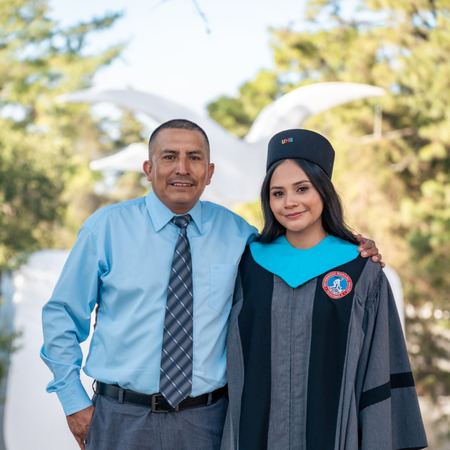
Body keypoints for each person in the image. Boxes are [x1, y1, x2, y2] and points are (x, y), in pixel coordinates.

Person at [41, 120, 381, 450]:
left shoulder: (240, 235)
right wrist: (73, 401)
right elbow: (62, 315)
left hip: (208, 423)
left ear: (209, 171)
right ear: (148, 168)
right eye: (169, 157)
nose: (182, 168)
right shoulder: (106, 228)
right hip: (121, 418)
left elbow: (295, 251)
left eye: (195, 158)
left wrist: (351, 249)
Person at [221, 129, 427, 450]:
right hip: (255, 434)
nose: (290, 202)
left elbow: (379, 362)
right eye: (278, 193)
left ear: (323, 190)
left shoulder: (360, 269)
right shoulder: (249, 264)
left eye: (302, 188)